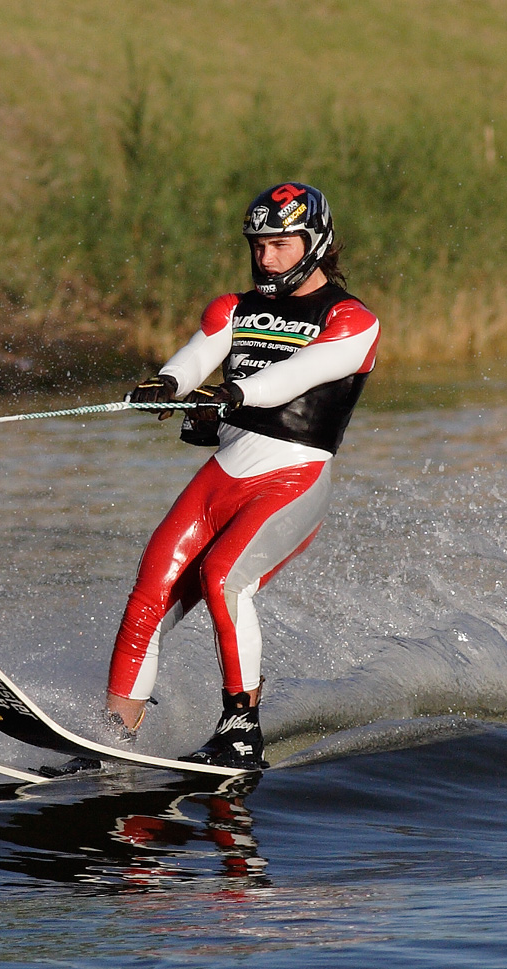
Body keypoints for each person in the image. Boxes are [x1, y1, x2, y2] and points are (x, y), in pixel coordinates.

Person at [108, 182, 379, 770]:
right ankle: (112, 737)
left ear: (316, 243)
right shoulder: (234, 307)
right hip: (222, 475)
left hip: (292, 478)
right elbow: (198, 354)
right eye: (258, 245)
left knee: (223, 577)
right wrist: (170, 384)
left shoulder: (351, 319)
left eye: (280, 244)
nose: (266, 257)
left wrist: (231, 394)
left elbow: (296, 376)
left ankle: (239, 728)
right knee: (149, 588)